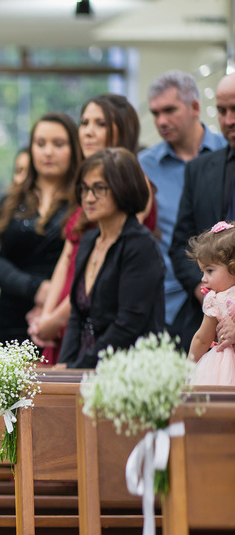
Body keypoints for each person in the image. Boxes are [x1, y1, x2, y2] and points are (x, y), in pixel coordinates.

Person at [29, 94, 155, 362]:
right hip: (69, 312)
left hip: (96, 315)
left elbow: (115, 255)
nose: (87, 131)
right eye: (84, 122)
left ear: (122, 129)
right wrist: (47, 316)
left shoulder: (133, 184)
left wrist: (57, 318)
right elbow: (66, 259)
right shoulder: (88, 186)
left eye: (100, 123)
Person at [139, 71, 227, 341]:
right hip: (169, 304)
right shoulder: (144, 167)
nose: (161, 121)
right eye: (155, 113)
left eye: (169, 110)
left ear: (195, 107)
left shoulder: (227, 153)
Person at [60, 148, 164, 368]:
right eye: (84, 189)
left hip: (128, 370)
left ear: (122, 188)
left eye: (99, 189)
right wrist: (65, 364)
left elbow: (128, 325)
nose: (89, 198)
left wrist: (78, 367)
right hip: (84, 367)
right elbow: (77, 316)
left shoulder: (140, 246)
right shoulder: (88, 241)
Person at [0, 113, 81, 347]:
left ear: (74, 149)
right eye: (40, 143)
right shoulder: (9, 201)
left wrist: (53, 296)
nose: (48, 152)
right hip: (9, 317)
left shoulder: (83, 201)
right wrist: (35, 289)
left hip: (63, 315)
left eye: (58, 144)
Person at [170, 74, 235, 351]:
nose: (229, 120)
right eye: (222, 110)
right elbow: (180, 245)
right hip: (203, 316)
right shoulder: (198, 169)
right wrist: (207, 290)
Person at [187, 221, 235, 384]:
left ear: (233, 268)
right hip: (224, 369)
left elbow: (201, 340)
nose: (203, 279)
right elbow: (202, 338)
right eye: (202, 271)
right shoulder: (216, 300)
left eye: (209, 271)